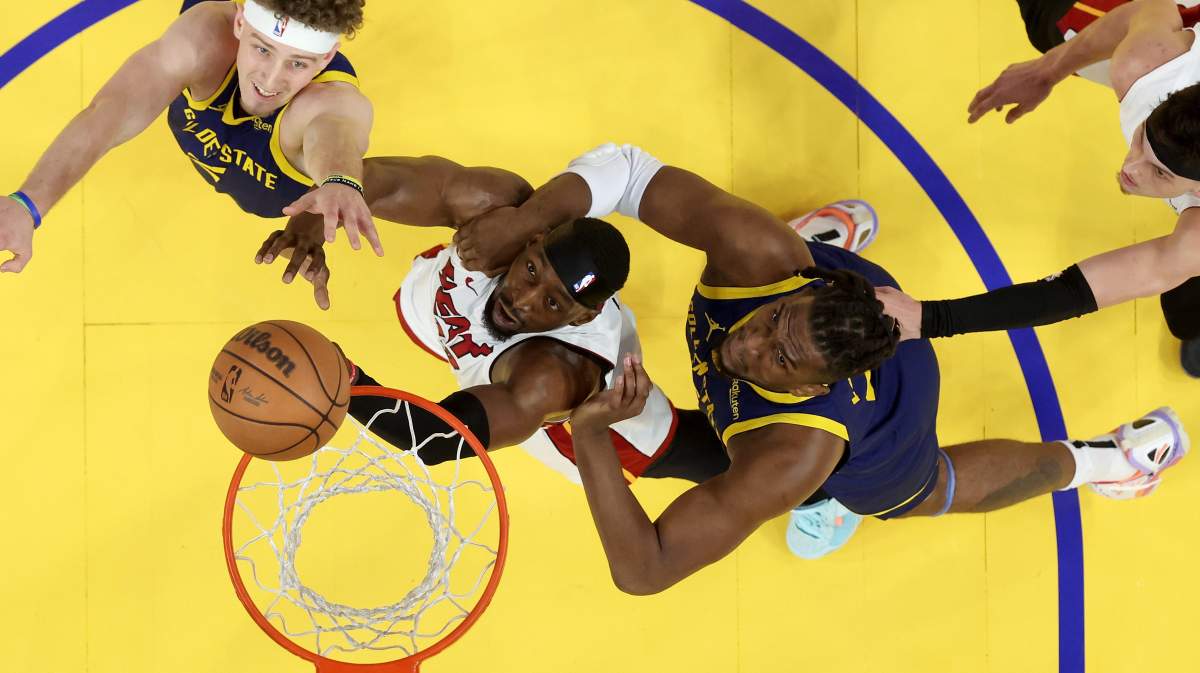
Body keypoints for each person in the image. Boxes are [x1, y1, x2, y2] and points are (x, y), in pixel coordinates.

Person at [454, 142, 1189, 594]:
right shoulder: (762, 262)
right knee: (774, 248)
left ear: (807, 386)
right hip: (868, 300)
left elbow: (644, 570)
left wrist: (590, 434)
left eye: (777, 358)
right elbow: (630, 171)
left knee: (928, 490)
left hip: (885, 433)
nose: (747, 345)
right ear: (796, 290)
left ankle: (1102, 461)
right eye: (772, 321)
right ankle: (824, 245)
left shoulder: (793, 454)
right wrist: (528, 219)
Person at [258, 155, 732, 486]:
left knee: (700, 453)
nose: (522, 301)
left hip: (560, 417)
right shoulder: (495, 209)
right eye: (531, 271)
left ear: (580, 316)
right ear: (533, 239)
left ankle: (778, 465)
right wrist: (308, 226)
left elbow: (436, 438)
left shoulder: (550, 377)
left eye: (551, 304)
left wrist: (346, 381)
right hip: (450, 327)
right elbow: (375, 180)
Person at [880, 0, 1200, 376]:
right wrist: (1047, 71)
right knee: (1048, 25)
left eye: (1160, 173)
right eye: (1141, 139)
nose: (1130, 168)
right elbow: (1150, 9)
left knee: (1184, 291)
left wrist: (931, 319)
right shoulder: (1147, 66)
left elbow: (1084, 289)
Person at [0, 0, 381, 276]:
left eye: (297, 63)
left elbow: (335, 130)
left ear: (326, 58)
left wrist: (340, 180)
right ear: (240, 22)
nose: (270, 79)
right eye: (262, 50)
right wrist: (28, 203)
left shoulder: (329, 102)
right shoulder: (205, 39)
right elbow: (110, 113)